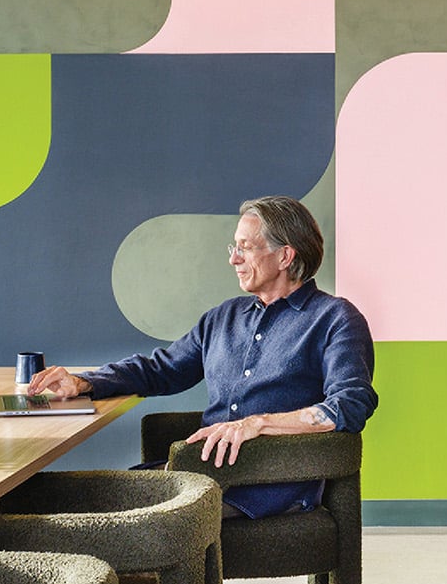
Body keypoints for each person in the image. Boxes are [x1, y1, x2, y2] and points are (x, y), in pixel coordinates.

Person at [27, 195, 377, 518]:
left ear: (285, 256)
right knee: (46, 498)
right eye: (233, 247)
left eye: (245, 248)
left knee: (112, 519)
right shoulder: (223, 317)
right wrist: (84, 381)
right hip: (197, 474)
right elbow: (161, 369)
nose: (233, 259)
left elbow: (350, 403)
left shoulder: (335, 319)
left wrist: (257, 424)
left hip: (269, 486)